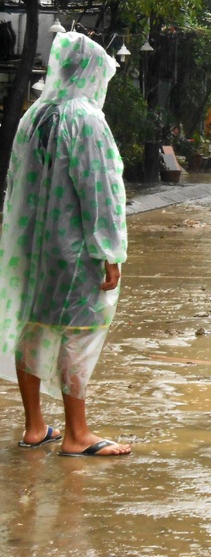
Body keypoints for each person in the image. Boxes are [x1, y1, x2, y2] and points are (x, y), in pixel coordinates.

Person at [0, 31, 130, 457]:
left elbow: (16, 184)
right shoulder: (86, 119)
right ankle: (77, 434)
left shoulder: (34, 115)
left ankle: (35, 426)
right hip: (73, 247)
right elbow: (99, 190)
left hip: (32, 246)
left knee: (33, 325)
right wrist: (109, 250)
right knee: (80, 330)